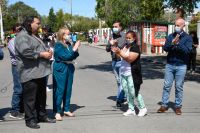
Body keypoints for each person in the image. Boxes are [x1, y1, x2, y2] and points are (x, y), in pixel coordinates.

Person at [15, 16, 56, 129]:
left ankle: (42, 116)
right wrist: (42, 54)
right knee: (30, 99)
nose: (39, 25)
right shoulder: (22, 36)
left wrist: (46, 51)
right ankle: (30, 120)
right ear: (29, 23)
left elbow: (38, 48)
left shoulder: (33, 35)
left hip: (40, 72)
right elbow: (25, 52)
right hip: (29, 73)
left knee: (41, 97)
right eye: (37, 23)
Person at [157, 18, 192, 115]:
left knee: (179, 86)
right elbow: (165, 48)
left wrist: (178, 44)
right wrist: (172, 43)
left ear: (183, 26)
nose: (176, 27)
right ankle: (164, 105)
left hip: (181, 65)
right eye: (175, 25)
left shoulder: (188, 38)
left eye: (178, 25)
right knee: (167, 86)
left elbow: (187, 51)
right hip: (170, 65)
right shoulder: (170, 36)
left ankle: (177, 106)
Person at [111, 30, 147, 116]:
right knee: (127, 91)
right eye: (126, 38)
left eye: (129, 38)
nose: (127, 39)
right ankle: (131, 109)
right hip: (123, 72)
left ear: (134, 38)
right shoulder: (125, 46)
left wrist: (119, 52)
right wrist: (116, 49)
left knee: (134, 91)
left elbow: (130, 59)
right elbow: (121, 56)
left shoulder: (135, 47)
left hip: (132, 73)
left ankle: (143, 108)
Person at [53, 27, 81, 121]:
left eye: (70, 34)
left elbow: (74, 55)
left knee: (68, 89)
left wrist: (75, 50)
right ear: (62, 35)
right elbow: (66, 57)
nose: (70, 35)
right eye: (68, 34)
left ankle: (66, 109)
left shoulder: (68, 44)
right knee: (60, 89)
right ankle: (57, 111)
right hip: (61, 67)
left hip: (69, 67)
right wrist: (75, 48)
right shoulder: (58, 45)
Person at [106, 21, 126, 108]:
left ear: (120, 27)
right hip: (114, 61)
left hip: (122, 60)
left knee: (122, 81)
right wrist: (109, 44)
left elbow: (124, 47)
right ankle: (123, 95)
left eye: (116, 26)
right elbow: (107, 49)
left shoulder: (124, 36)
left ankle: (119, 99)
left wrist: (116, 44)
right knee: (118, 81)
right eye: (113, 26)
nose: (114, 28)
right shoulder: (111, 36)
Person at [7, 23, 24, 119]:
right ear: (14, 32)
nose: (20, 31)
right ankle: (14, 110)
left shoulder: (24, 40)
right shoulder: (12, 42)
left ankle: (21, 109)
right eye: (18, 29)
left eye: (21, 29)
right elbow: (19, 55)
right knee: (18, 89)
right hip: (17, 66)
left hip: (25, 67)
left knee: (25, 88)